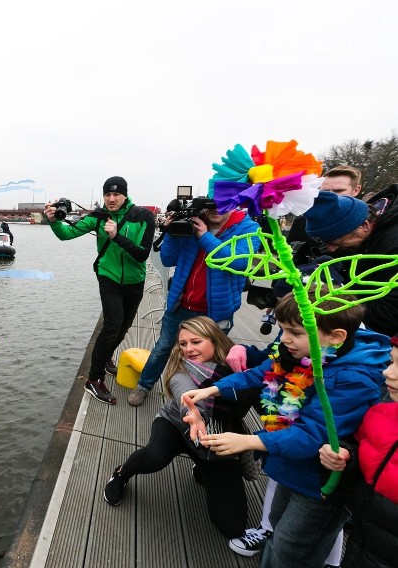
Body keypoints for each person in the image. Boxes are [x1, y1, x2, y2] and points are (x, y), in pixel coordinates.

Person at [182, 292, 390, 568]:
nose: (284, 339)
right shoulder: (298, 353)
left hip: (319, 484)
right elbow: (259, 373)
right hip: (292, 468)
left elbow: (312, 435)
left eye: (294, 332)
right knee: (279, 529)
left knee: (290, 551)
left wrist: (248, 441)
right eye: (282, 329)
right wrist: (214, 388)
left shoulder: (353, 379)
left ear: (336, 336)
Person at [103, 317, 250, 536]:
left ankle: (200, 463)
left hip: (215, 436)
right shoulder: (180, 370)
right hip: (176, 424)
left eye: (196, 342)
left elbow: (270, 368)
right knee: (154, 456)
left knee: (232, 526)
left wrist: (243, 349)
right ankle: (121, 474)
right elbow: (185, 394)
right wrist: (193, 413)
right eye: (183, 344)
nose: (188, 349)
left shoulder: (238, 370)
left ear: (215, 340)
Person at [126, 200, 260, 406]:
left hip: (215, 311)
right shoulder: (191, 221)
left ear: (234, 202)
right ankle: (144, 386)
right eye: (212, 203)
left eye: (224, 203)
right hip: (181, 303)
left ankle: (198, 401)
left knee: (210, 358)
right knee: (162, 349)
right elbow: (168, 259)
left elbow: (238, 262)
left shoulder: (247, 227)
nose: (216, 208)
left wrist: (205, 237)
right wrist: (171, 232)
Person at [45, 176, 156, 404]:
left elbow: (142, 254)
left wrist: (116, 237)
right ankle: (94, 380)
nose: (111, 199)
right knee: (112, 324)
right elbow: (66, 234)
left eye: (116, 194)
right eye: (107, 195)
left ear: (125, 194)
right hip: (108, 277)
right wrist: (54, 221)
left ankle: (105, 358)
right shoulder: (98, 217)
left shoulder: (143, 216)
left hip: (135, 280)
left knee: (124, 327)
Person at [318, 334, 398, 568]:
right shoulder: (378, 415)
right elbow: (365, 452)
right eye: (392, 362)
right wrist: (344, 456)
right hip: (364, 542)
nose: (388, 372)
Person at [303, 187, 398, 336]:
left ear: (365, 226)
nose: (332, 249)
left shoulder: (393, 245)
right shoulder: (347, 233)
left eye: (338, 243)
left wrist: (329, 299)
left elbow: (389, 313)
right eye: (327, 242)